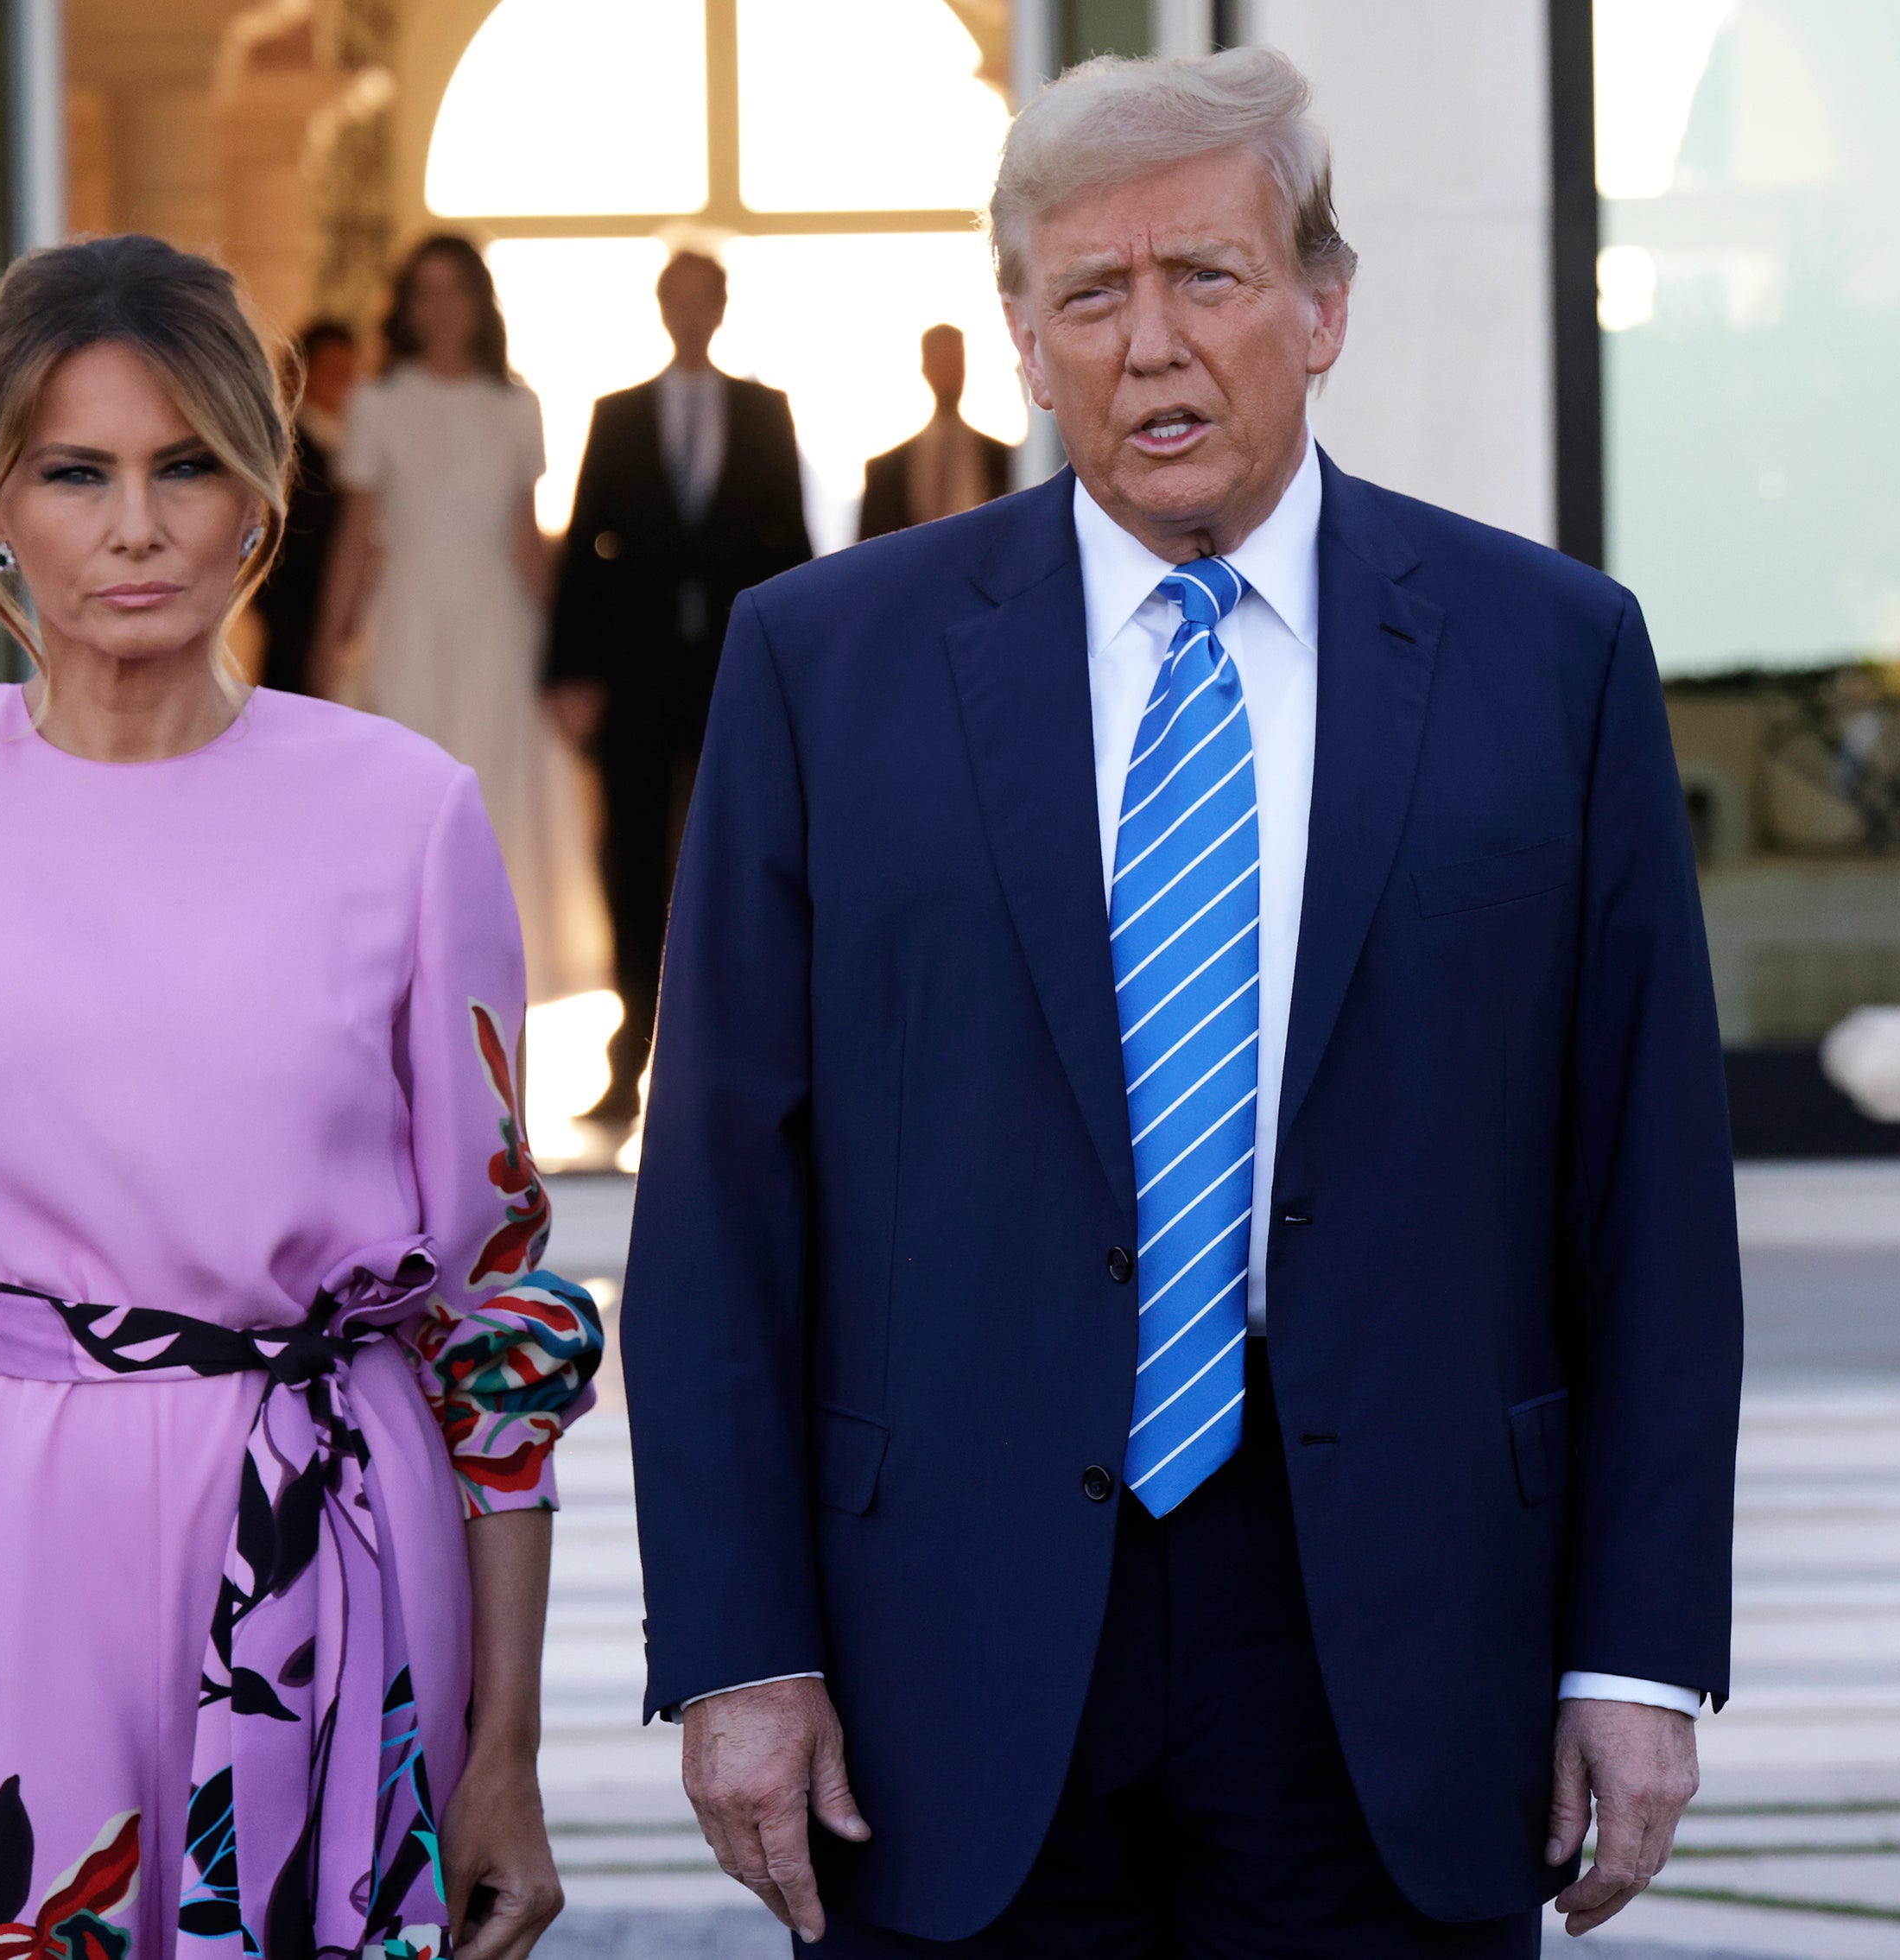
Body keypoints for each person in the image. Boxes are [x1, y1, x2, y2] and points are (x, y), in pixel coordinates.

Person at [626, 48, 1738, 1956]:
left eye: (1207, 280)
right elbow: (722, 1196)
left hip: (1405, 1638)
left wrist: (1638, 1653)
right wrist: (738, 1650)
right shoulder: (825, 665)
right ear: (1023, 336)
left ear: (1321, 305)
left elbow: (1647, 1193)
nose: (1152, 346)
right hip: (943, 1656)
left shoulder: (1549, 660)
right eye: (1091, 293)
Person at [0, 234, 597, 1960]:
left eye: (186, 465)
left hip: (333, 1538)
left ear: (260, 498)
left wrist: (505, 1754)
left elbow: (492, 1308)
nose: (135, 525)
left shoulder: (406, 815)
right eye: (77, 472)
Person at [546, 251, 811, 1126]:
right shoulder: (617, 415)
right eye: (680, 299)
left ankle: (729, 1061)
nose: (693, 312)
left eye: (707, 298)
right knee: (631, 859)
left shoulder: (763, 412)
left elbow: (792, 547)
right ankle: (630, 1060)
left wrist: (802, 670)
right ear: (664, 308)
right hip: (635, 675)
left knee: (739, 853)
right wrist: (570, 671)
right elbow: (586, 543)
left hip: (736, 674)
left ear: (722, 307)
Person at [317, 236, 606, 1004]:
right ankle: (411, 984)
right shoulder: (377, 404)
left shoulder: (517, 405)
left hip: (500, 631)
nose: (440, 306)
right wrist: (326, 642)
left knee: (498, 798)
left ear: (479, 302)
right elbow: (356, 533)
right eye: (425, 291)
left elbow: (526, 536)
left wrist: (571, 657)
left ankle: (491, 990)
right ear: (407, 308)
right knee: (411, 798)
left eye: (455, 289)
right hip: (410, 621)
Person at [250, 316, 359, 696]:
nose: (343, 384)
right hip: (297, 640)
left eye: (349, 372)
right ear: (300, 373)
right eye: (332, 371)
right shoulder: (283, 456)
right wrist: (300, 641)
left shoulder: (352, 449)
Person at [855, 326, 1016, 542]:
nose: (949, 373)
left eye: (955, 361)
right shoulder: (884, 472)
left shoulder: (1007, 461)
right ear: (925, 368)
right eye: (941, 362)